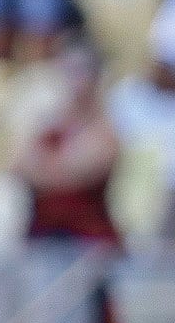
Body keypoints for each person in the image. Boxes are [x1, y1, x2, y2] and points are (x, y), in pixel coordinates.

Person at [16, 39, 122, 253]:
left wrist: (42, 162)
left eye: (79, 71)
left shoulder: (104, 129)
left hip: (88, 244)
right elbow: (16, 166)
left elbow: (66, 176)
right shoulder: (48, 125)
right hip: (43, 241)